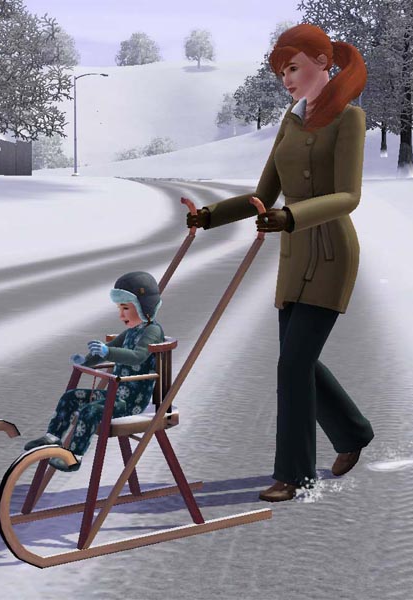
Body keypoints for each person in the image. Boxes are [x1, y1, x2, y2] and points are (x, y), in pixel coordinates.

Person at [186, 24, 375, 502]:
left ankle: (294, 474)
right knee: (298, 362)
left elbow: (349, 196)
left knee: (292, 365)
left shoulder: (349, 119)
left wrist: (291, 216)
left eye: (293, 67)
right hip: (295, 258)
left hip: (330, 252)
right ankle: (352, 432)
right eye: (281, 72)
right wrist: (209, 216)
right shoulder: (290, 123)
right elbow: (261, 195)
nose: (286, 79)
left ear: (322, 62)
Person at [23, 271, 165, 472]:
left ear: (145, 308)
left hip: (132, 402)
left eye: (126, 308)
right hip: (115, 395)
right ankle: (53, 437)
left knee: (90, 411)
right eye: (119, 308)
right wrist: (87, 361)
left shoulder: (152, 331)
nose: (121, 314)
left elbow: (138, 356)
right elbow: (108, 350)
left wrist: (108, 351)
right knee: (71, 397)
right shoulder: (131, 332)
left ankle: (74, 457)